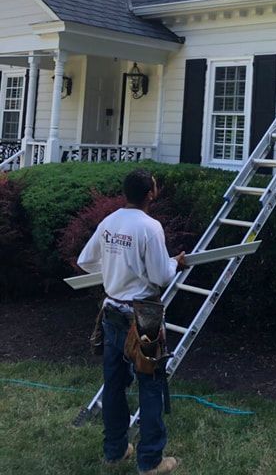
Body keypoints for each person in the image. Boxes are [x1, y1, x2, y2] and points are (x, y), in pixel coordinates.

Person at [77, 169, 186, 475]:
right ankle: (150, 461)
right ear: (150, 194)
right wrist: (175, 263)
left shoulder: (109, 222)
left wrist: (115, 268)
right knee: (150, 386)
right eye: (154, 186)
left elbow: (86, 262)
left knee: (113, 384)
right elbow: (160, 276)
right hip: (144, 317)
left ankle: (115, 450)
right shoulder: (150, 227)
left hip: (112, 311)